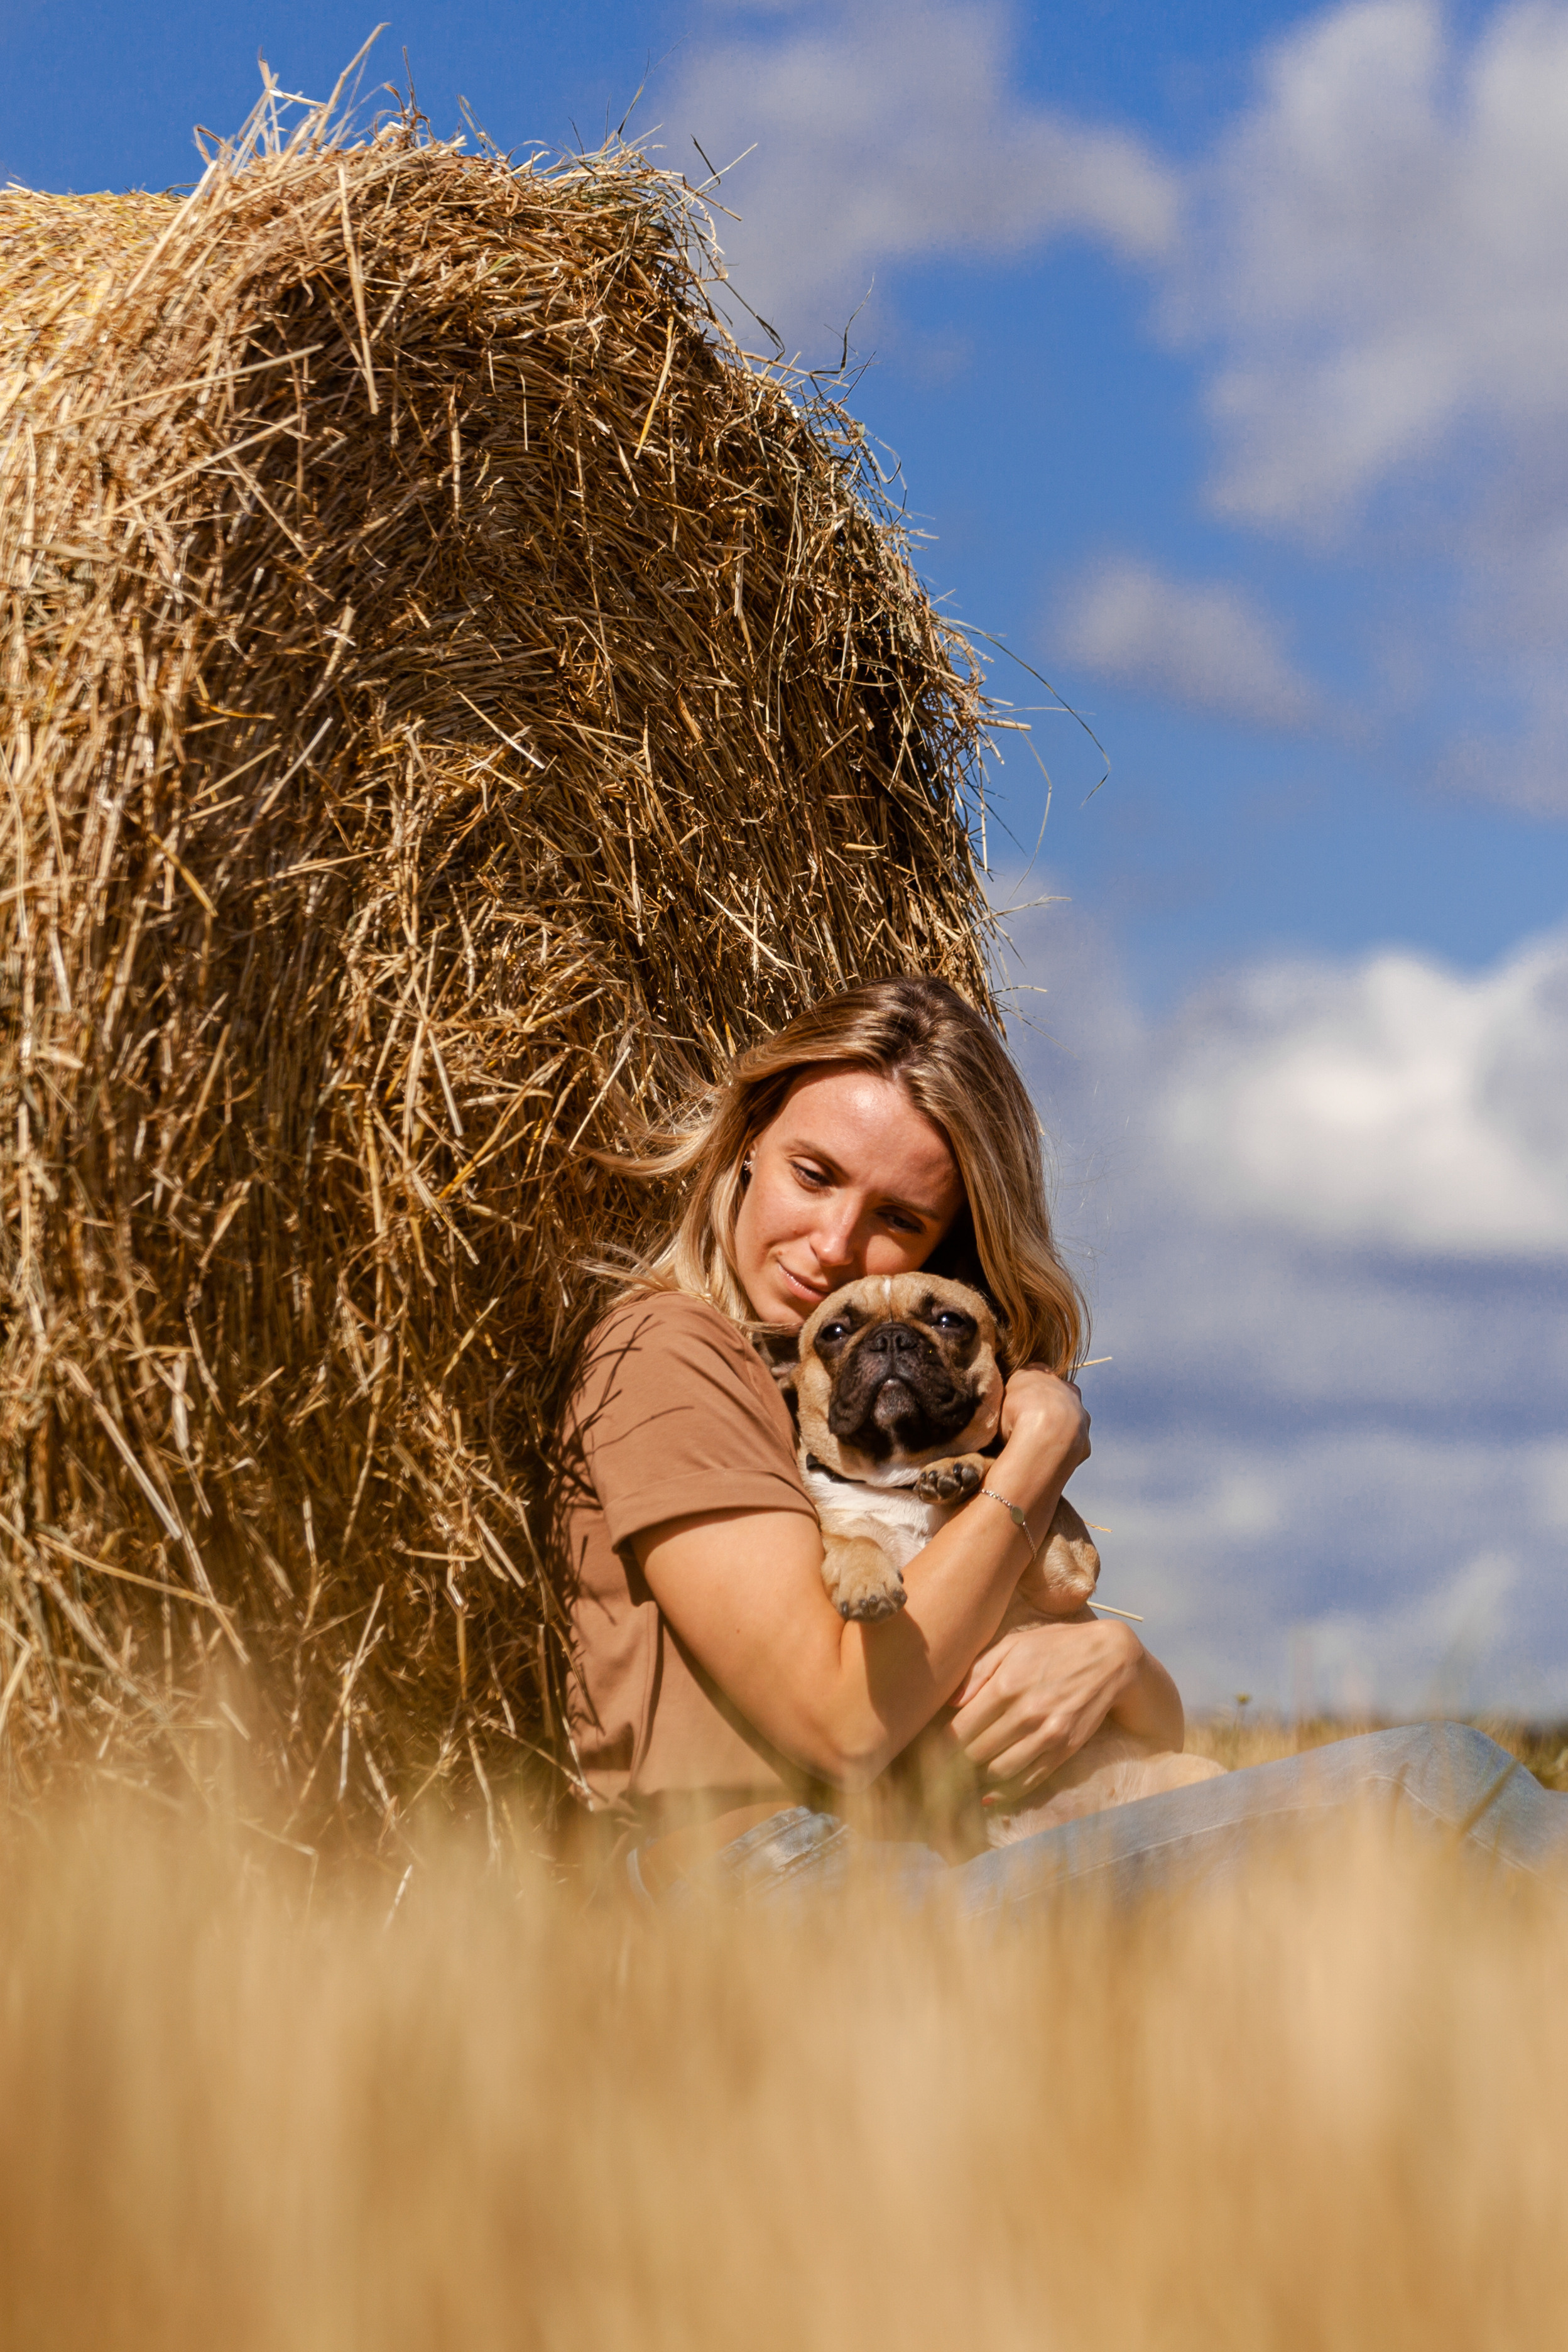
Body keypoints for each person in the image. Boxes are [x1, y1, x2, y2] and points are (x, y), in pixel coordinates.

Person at [558, 975, 1568, 1910]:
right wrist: (1043, 1450)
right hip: (781, 1887)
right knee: (1428, 1780)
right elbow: (842, 1721)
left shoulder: (868, 1418)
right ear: (745, 1143)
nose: (834, 1245)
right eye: (812, 1174)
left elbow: (1150, 1739)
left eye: (897, 1218)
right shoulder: (670, 1353)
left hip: (944, 1851)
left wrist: (1113, 1659)